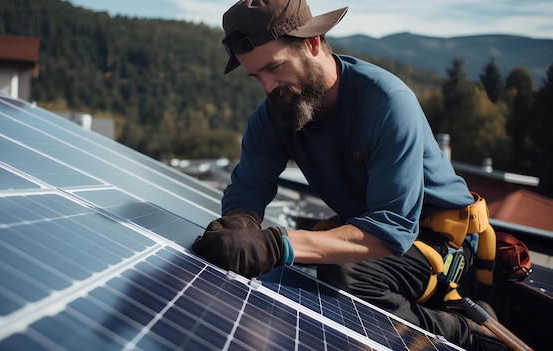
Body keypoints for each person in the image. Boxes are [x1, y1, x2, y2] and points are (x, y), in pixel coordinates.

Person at [192, 1, 510, 350]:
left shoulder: (386, 103)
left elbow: (394, 229)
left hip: (441, 245)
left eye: (274, 67)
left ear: (313, 43)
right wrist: (239, 226)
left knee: (344, 273)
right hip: (377, 236)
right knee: (308, 270)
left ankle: (461, 332)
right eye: (256, 77)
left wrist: (277, 244)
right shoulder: (275, 114)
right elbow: (248, 189)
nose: (268, 86)